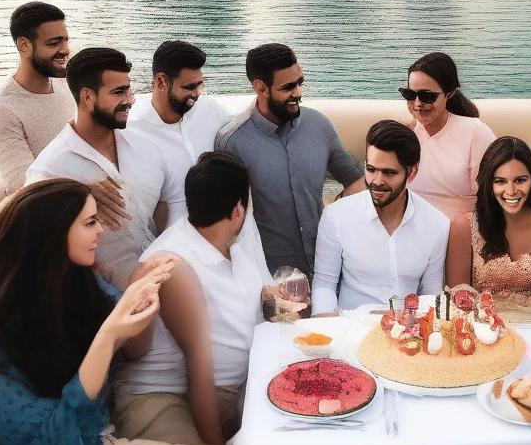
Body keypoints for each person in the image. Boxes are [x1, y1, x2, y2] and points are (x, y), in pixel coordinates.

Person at [0, 179, 252, 445]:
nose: (102, 231)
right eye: (90, 223)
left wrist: (142, 293)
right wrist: (108, 337)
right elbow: (55, 441)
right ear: (52, 233)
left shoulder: (78, 282)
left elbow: (137, 349)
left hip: (92, 427)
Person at [116, 152, 273, 445]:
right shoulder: (174, 264)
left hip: (239, 389)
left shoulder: (236, 241)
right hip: (167, 399)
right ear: (239, 209)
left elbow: (263, 295)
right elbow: (199, 365)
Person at [26, 48, 177, 287]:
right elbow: (34, 249)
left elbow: (163, 207)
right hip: (102, 299)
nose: (130, 99)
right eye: (119, 92)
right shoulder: (49, 170)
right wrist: (75, 196)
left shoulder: (148, 148)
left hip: (164, 278)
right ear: (87, 97)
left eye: (129, 89)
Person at [215, 43, 363, 277]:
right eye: (288, 87)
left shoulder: (319, 125)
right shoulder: (231, 142)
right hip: (268, 276)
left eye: (300, 83)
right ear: (260, 88)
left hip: (328, 268)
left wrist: (334, 218)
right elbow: (225, 223)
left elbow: (355, 180)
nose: (298, 93)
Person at [312, 119, 449, 313]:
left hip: (408, 332)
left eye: (389, 173)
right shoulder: (336, 216)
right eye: (371, 169)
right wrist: (324, 326)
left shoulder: (437, 224)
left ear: (412, 172)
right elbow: (324, 283)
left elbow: (430, 294)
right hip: (350, 329)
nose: (377, 181)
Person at [446, 136, 531, 295]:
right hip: (482, 320)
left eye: (520, 180)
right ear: (489, 184)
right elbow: (456, 299)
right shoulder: (464, 228)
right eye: (500, 181)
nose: (511, 191)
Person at [128, 40, 233, 226]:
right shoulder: (132, 130)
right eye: (189, 87)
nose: (197, 94)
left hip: (220, 240)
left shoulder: (212, 111)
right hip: (169, 248)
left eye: (200, 85)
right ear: (161, 82)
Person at [0, 1, 76, 193]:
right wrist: (87, 188)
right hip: (54, 216)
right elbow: (25, 191)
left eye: (66, 40)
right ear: (24, 45)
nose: (66, 49)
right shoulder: (2, 112)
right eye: (54, 43)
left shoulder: (65, 84)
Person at [403, 52, 496, 220]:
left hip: (460, 232)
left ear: (450, 93)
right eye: (410, 95)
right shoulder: (404, 136)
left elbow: (491, 195)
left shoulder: (476, 133)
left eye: (427, 96)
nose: (417, 103)